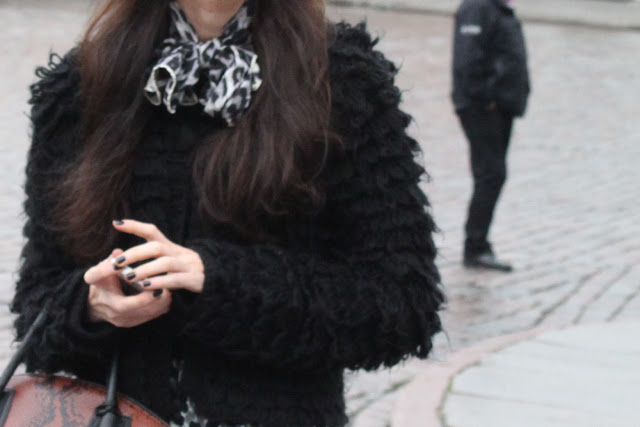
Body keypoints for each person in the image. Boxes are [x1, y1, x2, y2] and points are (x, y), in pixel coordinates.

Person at [11, 0, 444, 425]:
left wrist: (217, 282)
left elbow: (403, 306)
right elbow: (36, 309)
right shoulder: (82, 84)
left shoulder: (341, 81)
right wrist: (92, 305)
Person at [452, 0, 530, 272]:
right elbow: (467, 59)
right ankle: (475, 248)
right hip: (482, 107)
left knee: (491, 175)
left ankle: (478, 244)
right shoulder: (477, 7)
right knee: (491, 174)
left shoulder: (500, 8)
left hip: (501, 107)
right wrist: (486, 98)